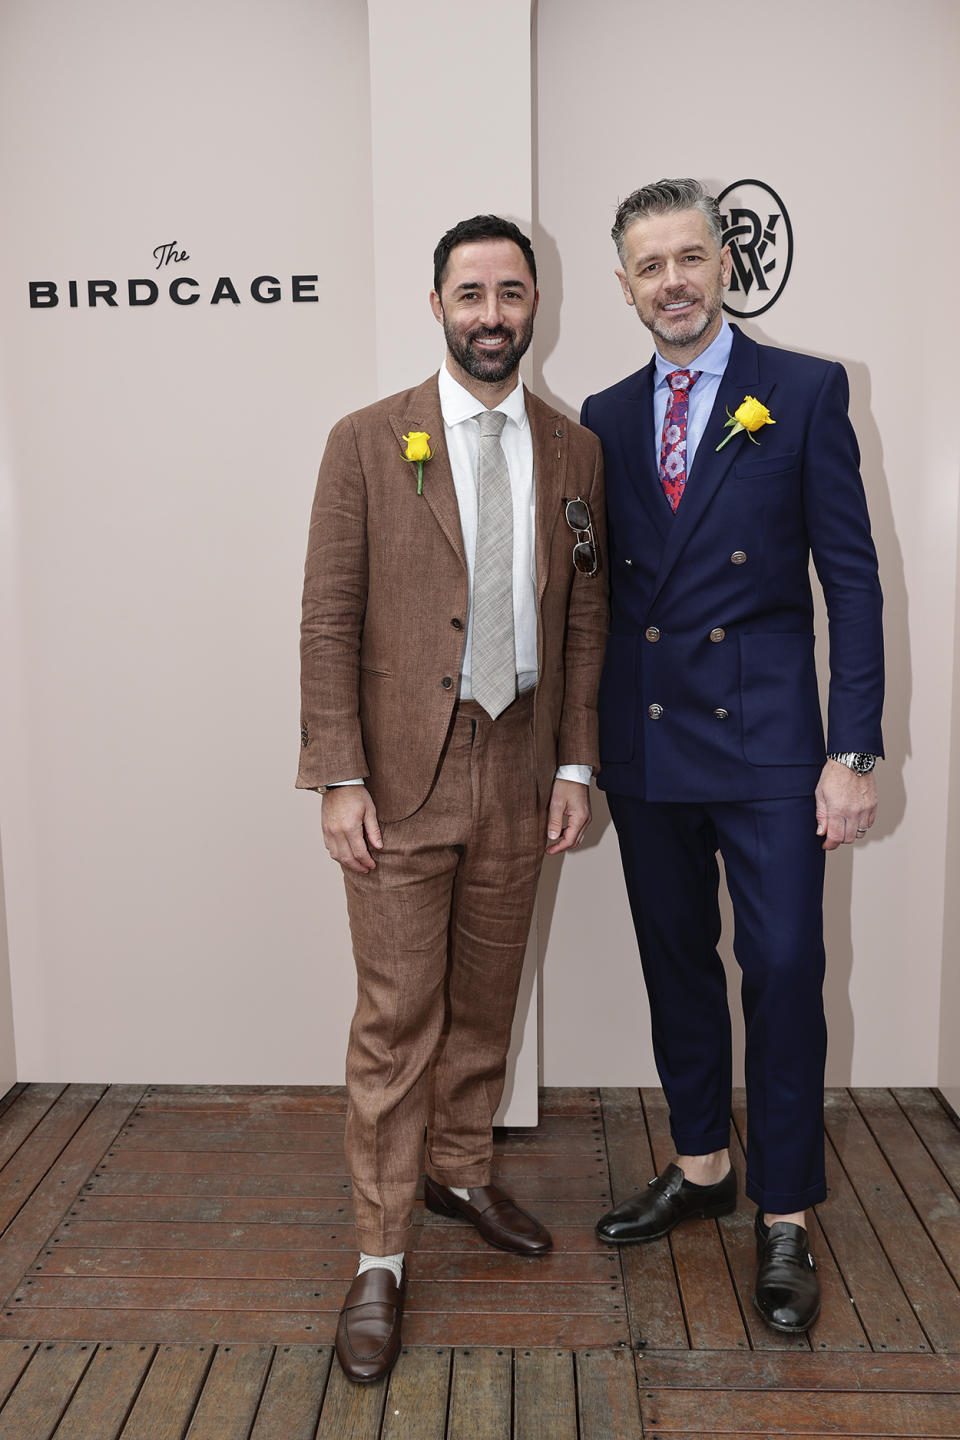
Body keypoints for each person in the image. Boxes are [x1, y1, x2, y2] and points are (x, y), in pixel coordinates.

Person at [298, 214, 608, 1382]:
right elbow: (329, 616)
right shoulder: (367, 440)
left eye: (511, 293)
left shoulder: (574, 451)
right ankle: (378, 1256)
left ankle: (462, 1169)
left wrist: (576, 765)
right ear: (437, 304)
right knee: (395, 1019)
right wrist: (337, 774)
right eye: (471, 293)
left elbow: (584, 620)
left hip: (522, 766)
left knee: (486, 998)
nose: (492, 314)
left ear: (537, 306)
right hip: (399, 774)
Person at [581, 178, 883, 1333]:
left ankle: (788, 1212)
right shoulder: (605, 414)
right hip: (648, 742)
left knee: (787, 969)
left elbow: (849, 583)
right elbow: (600, 596)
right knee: (676, 963)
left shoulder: (801, 390)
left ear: (725, 263)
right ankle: (703, 1165)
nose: (673, 282)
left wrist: (852, 748)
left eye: (691, 258)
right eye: (650, 266)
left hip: (769, 747)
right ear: (624, 285)